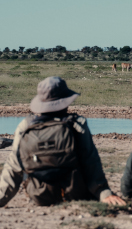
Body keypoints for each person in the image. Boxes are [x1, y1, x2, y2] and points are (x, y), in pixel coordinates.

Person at [0, 77, 125, 207]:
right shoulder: (77, 124)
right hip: (75, 194)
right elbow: (90, 162)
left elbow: (13, 167)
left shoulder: (25, 126)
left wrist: (1, 198)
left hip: (40, 195)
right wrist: (104, 193)